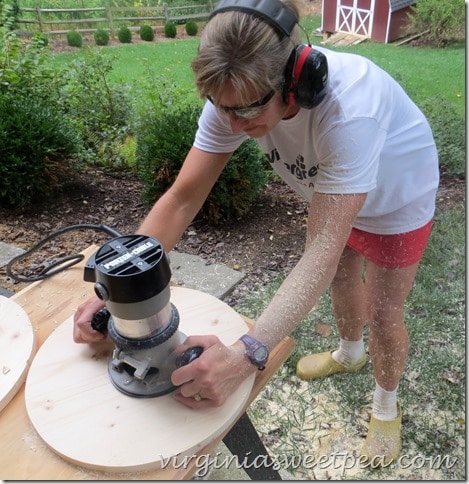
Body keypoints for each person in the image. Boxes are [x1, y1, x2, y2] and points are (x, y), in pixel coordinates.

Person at [73, 0, 439, 465]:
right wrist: (118, 288)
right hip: (337, 189)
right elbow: (183, 198)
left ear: (297, 80)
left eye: (247, 109)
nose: (234, 125)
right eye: (220, 107)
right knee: (344, 277)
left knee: (385, 311)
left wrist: (247, 354)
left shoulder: (349, 112)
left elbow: (320, 248)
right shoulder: (236, 100)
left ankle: (386, 407)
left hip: (396, 200)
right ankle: (350, 353)